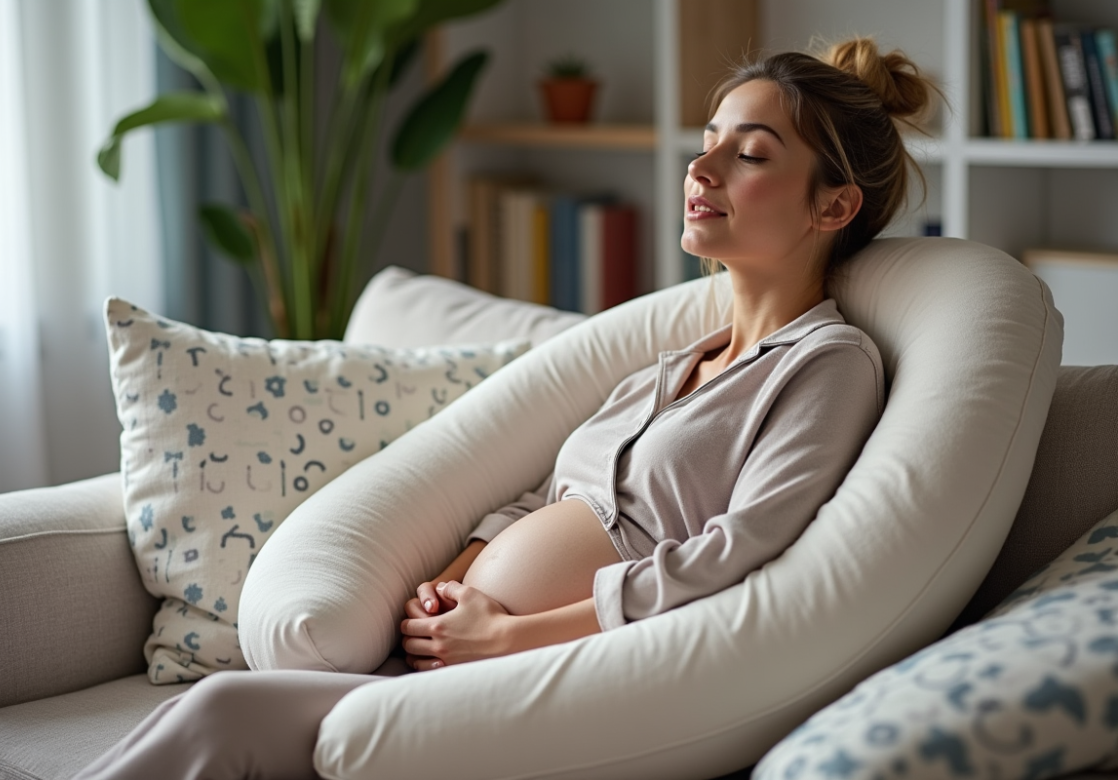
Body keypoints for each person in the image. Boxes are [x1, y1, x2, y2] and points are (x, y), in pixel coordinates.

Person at [75, 36, 939, 780]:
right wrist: (450, 582)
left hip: (560, 672)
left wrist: (509, 639)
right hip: (463, 652)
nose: (701, 169)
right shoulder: (677, 360)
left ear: (834, 205)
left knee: (223, 716)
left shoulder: (828, 365)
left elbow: (739, 557)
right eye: (707, 141)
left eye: (748, 155)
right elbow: (551, 498)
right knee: (217, 723)